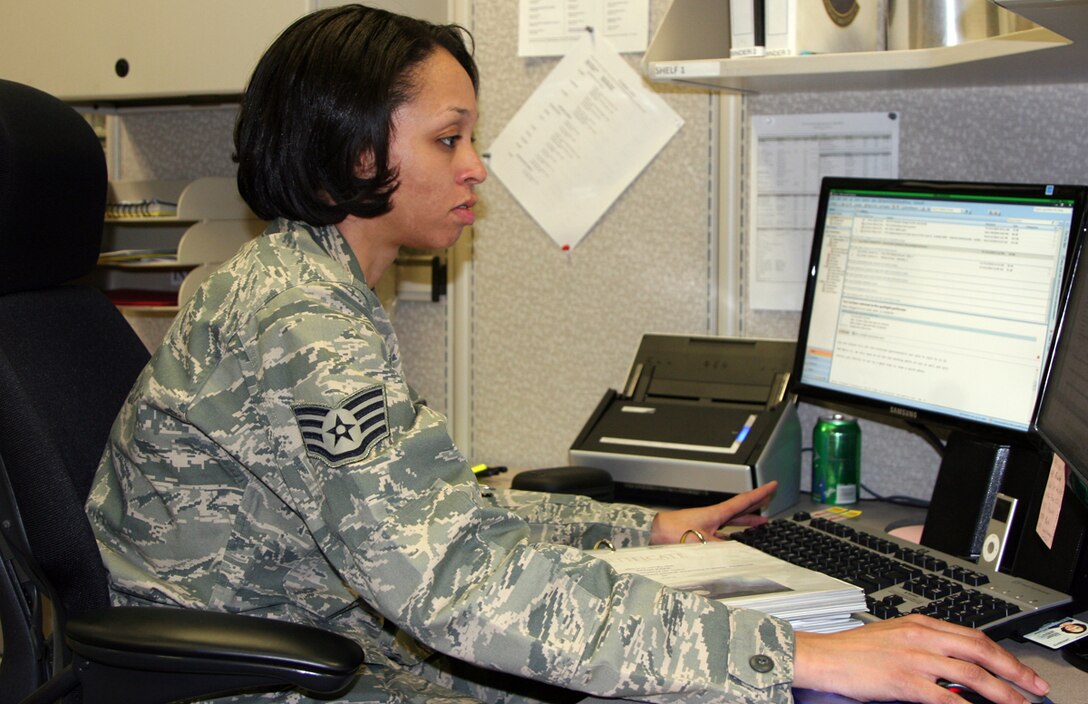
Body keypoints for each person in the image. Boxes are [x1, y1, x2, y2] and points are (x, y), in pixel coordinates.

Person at [85, 5, 1050, 704]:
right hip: (254, 676)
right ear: (357, 155)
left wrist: (638, 535)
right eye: (452, 137)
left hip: (319, 629)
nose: (476, 166)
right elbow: (456, 580)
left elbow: (441, 518)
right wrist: (802, 656)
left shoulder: (303, 280)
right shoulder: (301, 322)